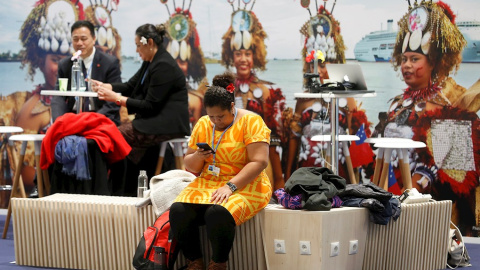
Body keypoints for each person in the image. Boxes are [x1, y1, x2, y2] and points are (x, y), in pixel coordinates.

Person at [379, 1, 479, 236]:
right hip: (390, 199)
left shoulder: (447, 107)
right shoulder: (396, 105)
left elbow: (447, 171)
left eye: (415, 59)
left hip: (425, 212)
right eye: (404, 59)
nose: (406, 66)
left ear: (433, 63)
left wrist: (410, 191)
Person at [169, 72, 271, 270]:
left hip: (247, 183)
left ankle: (218, 264)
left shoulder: (251, 122)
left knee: (217, 212)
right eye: (212, 116)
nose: (216, 121)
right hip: (210, 181)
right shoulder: (203, 123)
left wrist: (230, 186)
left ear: (232, 107)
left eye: (221, 116)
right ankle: (194, 263)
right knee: (178, 210)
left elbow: (259, 162)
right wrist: (199, 156)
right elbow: (190, 165)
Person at [91, 23, 190, 191]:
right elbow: (130, 86)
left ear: (149, 43)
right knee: (117, 139)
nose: (137, 50)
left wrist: (116, 99)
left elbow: (150, 106)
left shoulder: (163, 64)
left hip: (166, 124)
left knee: (113, 136)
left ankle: (111, 189)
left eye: (138, 45)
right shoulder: (150, 62)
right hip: (154, 120)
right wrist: (107, 86)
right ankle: (122, 189)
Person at [284, 4, 374, 182]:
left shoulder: (347, 97)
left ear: (334, 64)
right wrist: (287, 175)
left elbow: (355, 137)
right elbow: (294, 140)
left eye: (322, 64)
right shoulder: (303, 99)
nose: (317, 70)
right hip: (306, 170)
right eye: (313, 65)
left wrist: (357, 176)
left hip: (340, 170)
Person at [10, 0, 83, 196]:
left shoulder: (80, 101)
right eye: (55, 60)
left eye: (67, 60)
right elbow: (25, 175)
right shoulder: (32, 109)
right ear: (40, 62)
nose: (61, 67)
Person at [221, 3, 287, 191]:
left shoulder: (266, 92)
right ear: (230, 55)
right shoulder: (224, 88)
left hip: (259, 162)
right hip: (229, 161)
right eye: (238, 53)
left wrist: (280, 177)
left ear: (255, 56)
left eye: (247, 54)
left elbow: (273, 140)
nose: (243, 59)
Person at [52, 20, 122, 125]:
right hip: (74, 117)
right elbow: (59, 96)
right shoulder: (65, 64)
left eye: (84, 39)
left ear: (94, 39)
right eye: (75, 39)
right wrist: (59, 122)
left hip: (101, 117)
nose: (79, 43)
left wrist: (88, 122)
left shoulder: (109, 63)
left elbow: (113, 101)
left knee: (88, 141)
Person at [161, 3, 209, 129]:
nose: (176, 67)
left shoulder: (197, 101)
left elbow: (198, 139)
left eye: (182, 62)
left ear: (191, 66)